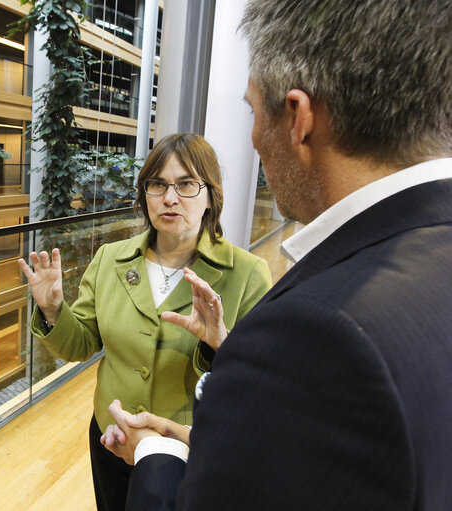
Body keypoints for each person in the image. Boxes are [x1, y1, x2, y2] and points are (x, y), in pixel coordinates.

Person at [101, 0, 452, 509]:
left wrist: (158, 449)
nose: (252, 137)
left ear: (297, 117)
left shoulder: (312, 329)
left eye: (251, 110)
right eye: (158, 185)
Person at [18, 133, 272, 511]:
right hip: (111, 437)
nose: (170, 198)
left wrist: (220, 343)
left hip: (183, 450)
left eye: (186, 184)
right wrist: (54, 309)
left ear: (210, 196)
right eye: (158, 184)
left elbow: (261, 385)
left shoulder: (247, 274)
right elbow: (82, 343)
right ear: (145, 194)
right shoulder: (111, 259)